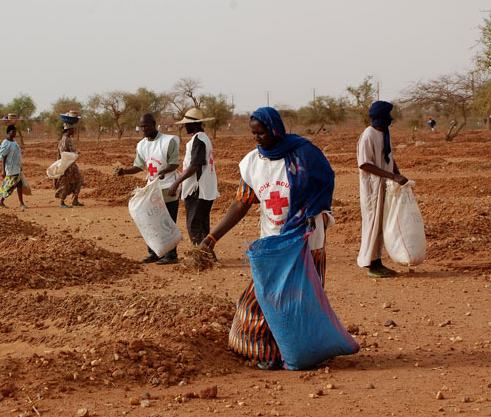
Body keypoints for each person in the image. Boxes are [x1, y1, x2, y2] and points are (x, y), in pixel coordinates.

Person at [198, 107, 334, 370]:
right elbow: (241, 204)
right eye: (253, 133)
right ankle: (269, 352)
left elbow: (326, 181)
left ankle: (301, 353)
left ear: (275, 129)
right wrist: (212, 238)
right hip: (272, 244)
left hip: (306, 240)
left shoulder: (304, 154)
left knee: (301, 300)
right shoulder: (252, 163)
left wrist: (316, 209)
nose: (257, 138)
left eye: (261, 132)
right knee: (262, 299)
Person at [116, 113, 180, 264]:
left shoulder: (168, 141)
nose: (143, 129)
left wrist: (164, 171)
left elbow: (175, 163)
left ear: (154, 124)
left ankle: (171, 255)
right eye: (141, 126)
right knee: (151, 220)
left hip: (167, 187)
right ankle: (154, 253)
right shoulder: (142, 145)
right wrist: (125, 171)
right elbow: (139, 166)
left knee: (167, 221)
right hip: (152, 188)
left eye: (146, 126)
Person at [357, 101, 408, 278]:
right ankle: (372, 264)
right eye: (388, 115)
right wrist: (391, 176)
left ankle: (377, 261)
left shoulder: (385, 133)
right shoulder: (368, 135)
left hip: (384, 186)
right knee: (372, 224)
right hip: (372, 188)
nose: (391, 118)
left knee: (381, 224)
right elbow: (364, 164)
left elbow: (389, 158)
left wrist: (398, 174)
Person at [168, 108, 220, 245]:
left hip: (197, 189)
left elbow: (195, 166)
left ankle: (200, 255)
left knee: (194, 224)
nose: (185, 126)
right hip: (204, 188)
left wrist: (176, 183)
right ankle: (207, 255)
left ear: (194, 124)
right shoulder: (203, 139)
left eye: (187, 124)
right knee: (202, 224)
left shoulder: (199, 139)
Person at [55, 123, 84, 208]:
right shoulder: (65, 140)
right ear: (68, 130)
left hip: (71, 164)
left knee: (79, 179)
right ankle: (62, 202)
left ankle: (75, 200)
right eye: (72, 129)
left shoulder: (68, 139)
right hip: (66, 165)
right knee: (65, 183)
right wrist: (74, 154)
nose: (73, 131)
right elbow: (64, 154)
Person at [0, 125, 27, 210]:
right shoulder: (6, 143)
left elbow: (17, 155)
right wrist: (3, 170)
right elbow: (3, 156)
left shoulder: (14, 142)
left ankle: (20, 203)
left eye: (15, 131)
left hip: (16, 167)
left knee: (17, 184)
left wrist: (20, 166)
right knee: (10, 186)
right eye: (13, 131)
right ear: (9, 132)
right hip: (10, 168)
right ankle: (2, 201)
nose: (15, 133)